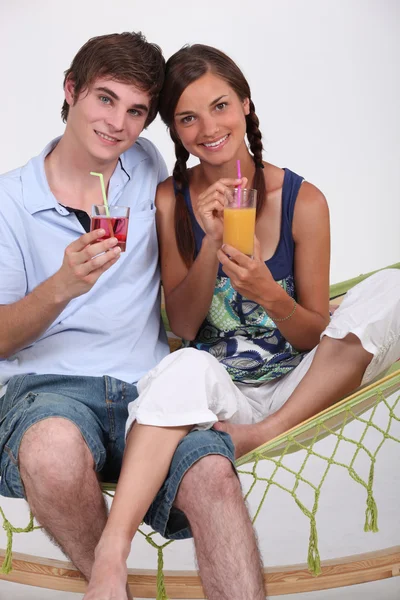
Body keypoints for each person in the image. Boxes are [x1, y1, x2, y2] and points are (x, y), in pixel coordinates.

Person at [84, 43, 400, 600]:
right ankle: (112, 551)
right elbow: (182, 324)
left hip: (304, 384)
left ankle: (263, 436)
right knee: (181, 365)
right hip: (224, 390)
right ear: (176, 132)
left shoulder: (303, 200)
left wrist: (266, 293)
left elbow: (312, 333)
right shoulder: (169, 200)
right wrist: (207, 244)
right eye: (188, 117)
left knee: (393, 289)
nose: (209, 127)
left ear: (247, 106)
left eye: (221, 106)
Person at [0, 31, 168, 599]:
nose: (117, 124)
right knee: (49, 452)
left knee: (215, 474)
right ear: (71, 91)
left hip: (150, 388)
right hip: (48, 391)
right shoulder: (8, 204)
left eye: (136, 110)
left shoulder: (145, 163)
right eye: (105, 98)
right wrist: (61, 287)